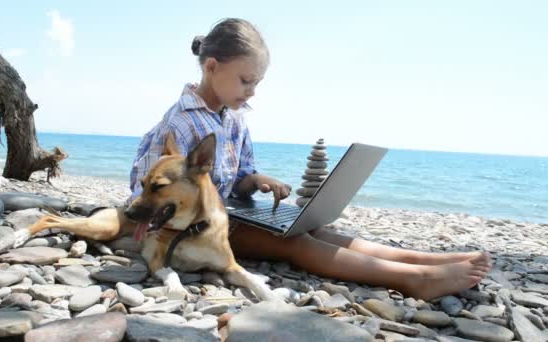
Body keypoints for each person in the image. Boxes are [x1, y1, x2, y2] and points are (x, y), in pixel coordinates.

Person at [128, 18, 491, 300]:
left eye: (257, 83)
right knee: (295, 243)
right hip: (199, 228)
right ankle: (417, 281)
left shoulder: (234, 116)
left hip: (230, 213)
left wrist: (255, 181)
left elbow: (238, 174)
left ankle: (428, 260)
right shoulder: (180, 121)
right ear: (211, 68)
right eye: (245, 81)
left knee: (314, 228)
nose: (252, 91)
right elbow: (145, 192)